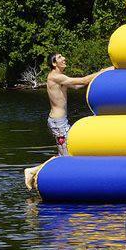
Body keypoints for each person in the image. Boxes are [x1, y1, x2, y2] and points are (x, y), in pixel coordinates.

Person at [23, 54, 105, 190]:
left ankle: (35, 171)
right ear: (54, 63)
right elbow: (84, 80)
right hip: (58, 123)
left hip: (60, 122)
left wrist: (95, 78)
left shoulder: (60, 77)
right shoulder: (54, 76)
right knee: (66, 156)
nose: (64, 58)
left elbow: (78, 86)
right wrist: (102, 72)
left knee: (66, 154)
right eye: (60, 57)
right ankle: (38, 173)